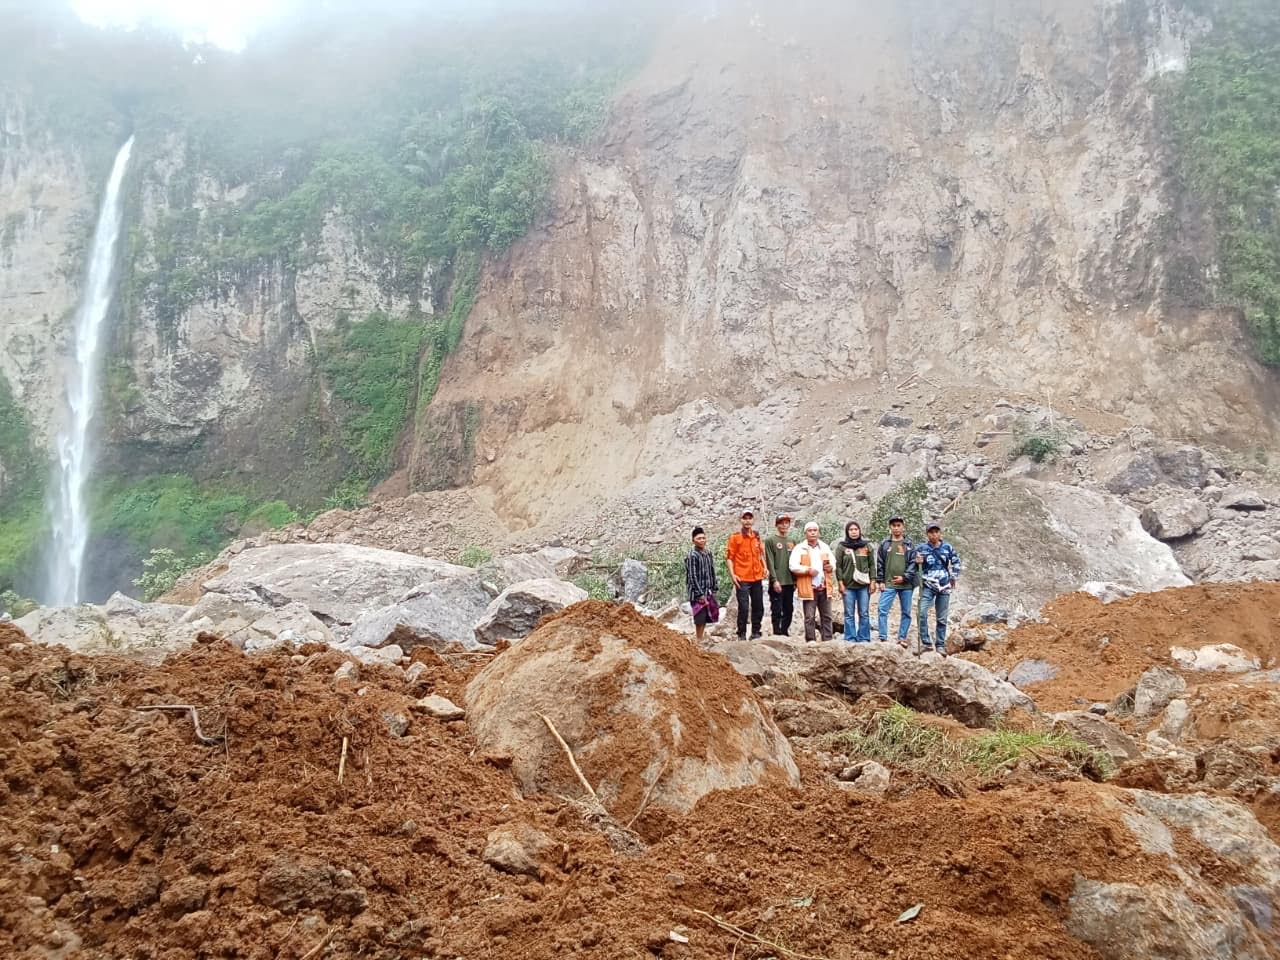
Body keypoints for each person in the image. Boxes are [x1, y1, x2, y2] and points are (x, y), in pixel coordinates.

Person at [916, 521, 962, 655]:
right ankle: (926, 642)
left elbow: (956, 562)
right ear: (927, 534)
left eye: (936, 532)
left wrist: (953, 576)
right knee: (921, 613)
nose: (934, 535)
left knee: (941, 617)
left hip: (944, 585)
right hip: (928, 585)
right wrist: (918, 562)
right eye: (931, 532)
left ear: (940, 533)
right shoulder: (922, 549)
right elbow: (915, 564)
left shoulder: (947, 547)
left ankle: (940, 645)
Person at [790, 521, 836, 643]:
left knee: (827, 616)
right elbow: (793, 566)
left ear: (818, 532)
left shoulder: (824, 547)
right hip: (809, 588)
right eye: (810, 530)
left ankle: (828, 640)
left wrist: (831, 567)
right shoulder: (799, 548)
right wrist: (807, 570)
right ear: (805, 533)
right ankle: (810, 640)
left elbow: (833, 562)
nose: (812, 532)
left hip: (824, 586)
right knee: (809, 616)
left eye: (815, 530)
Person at [726, 510, 769, 640]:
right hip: (742, 577)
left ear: (753, 520)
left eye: (750, 518)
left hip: (756, 576)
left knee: (758, 605)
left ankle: (756, 632)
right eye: (745, 518)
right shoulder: (735, 537)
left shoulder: (756, 536)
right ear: (741, 520)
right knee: (744, 607)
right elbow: (729, 557)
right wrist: (732, 575)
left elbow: (760, 554)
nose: (747, 521)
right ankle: (741, 633)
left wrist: (765, 567)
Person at [876, 515, 917, 646]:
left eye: (899, 525)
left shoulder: (909, 544)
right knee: (882, 609)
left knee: (906, 611)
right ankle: (883, 636)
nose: (896, 528)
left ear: (903, 527)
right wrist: (880, 580)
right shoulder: (885, 544)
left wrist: (905, 577)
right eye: (894, 525)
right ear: (890, 527)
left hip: (906, 584)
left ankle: (902, 637)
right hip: (889, 583)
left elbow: (913, 563)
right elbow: (880, 563)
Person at [834, 520, 874, 643]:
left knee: (864, 613)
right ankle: (850, 638)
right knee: (849, 613)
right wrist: (840, 583)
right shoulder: (842, 546)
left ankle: (864, 638)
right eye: (851, 530)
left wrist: (873, 581)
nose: (854, 532)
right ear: (847, 532)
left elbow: (872, 565)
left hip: (863, 586)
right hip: (848, 586)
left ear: (859, 531)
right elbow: (838, 566)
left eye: (856, 529)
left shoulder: (867, 546)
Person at [763, 512, 797, 637]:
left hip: (789, 581)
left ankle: (785, 631)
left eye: (786, 523)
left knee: (789, 609)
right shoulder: (770, 540)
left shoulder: (792, 541)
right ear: (777, 525)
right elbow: (769, 561)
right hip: (777, 581)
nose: (784, 525)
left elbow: (795, 560)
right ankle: (777, 632)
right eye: (781, 523)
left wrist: (795, 580)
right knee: (777, 609)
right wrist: (774, 579)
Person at [684, 526, 719, 642]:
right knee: (699, 616)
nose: (702, 540)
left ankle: (701, 638)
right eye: (699, 538)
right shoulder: (692, 556)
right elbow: (692, 576)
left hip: (707, 590)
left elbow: (712, 571)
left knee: (705, 616)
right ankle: (698, 639)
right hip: (697, 592)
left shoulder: (708, 553)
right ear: (693, 540)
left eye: (703, 538)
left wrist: (714, 588)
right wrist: (699, 594)